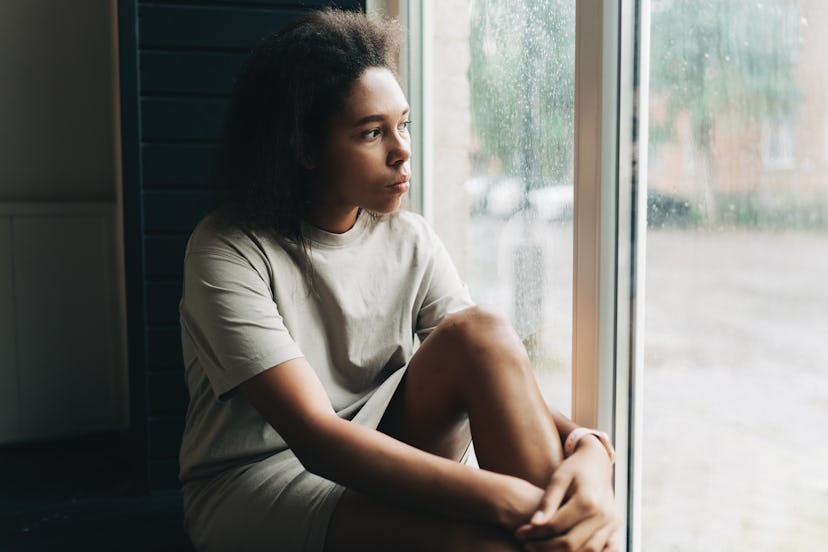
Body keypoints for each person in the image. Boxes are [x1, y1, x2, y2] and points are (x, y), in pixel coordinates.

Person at [178, 8, 619, 551]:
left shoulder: (410, 239)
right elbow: (316, 440)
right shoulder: (228, 249)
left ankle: (557, 527)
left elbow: (493, 363)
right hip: (260, 480)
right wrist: (510, 501)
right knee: (497, 541)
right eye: (371, 133)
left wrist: (591, 449)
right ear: (305, 147)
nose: (402, 150)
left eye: (403, 125)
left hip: (379, 449)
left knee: (480, 332)